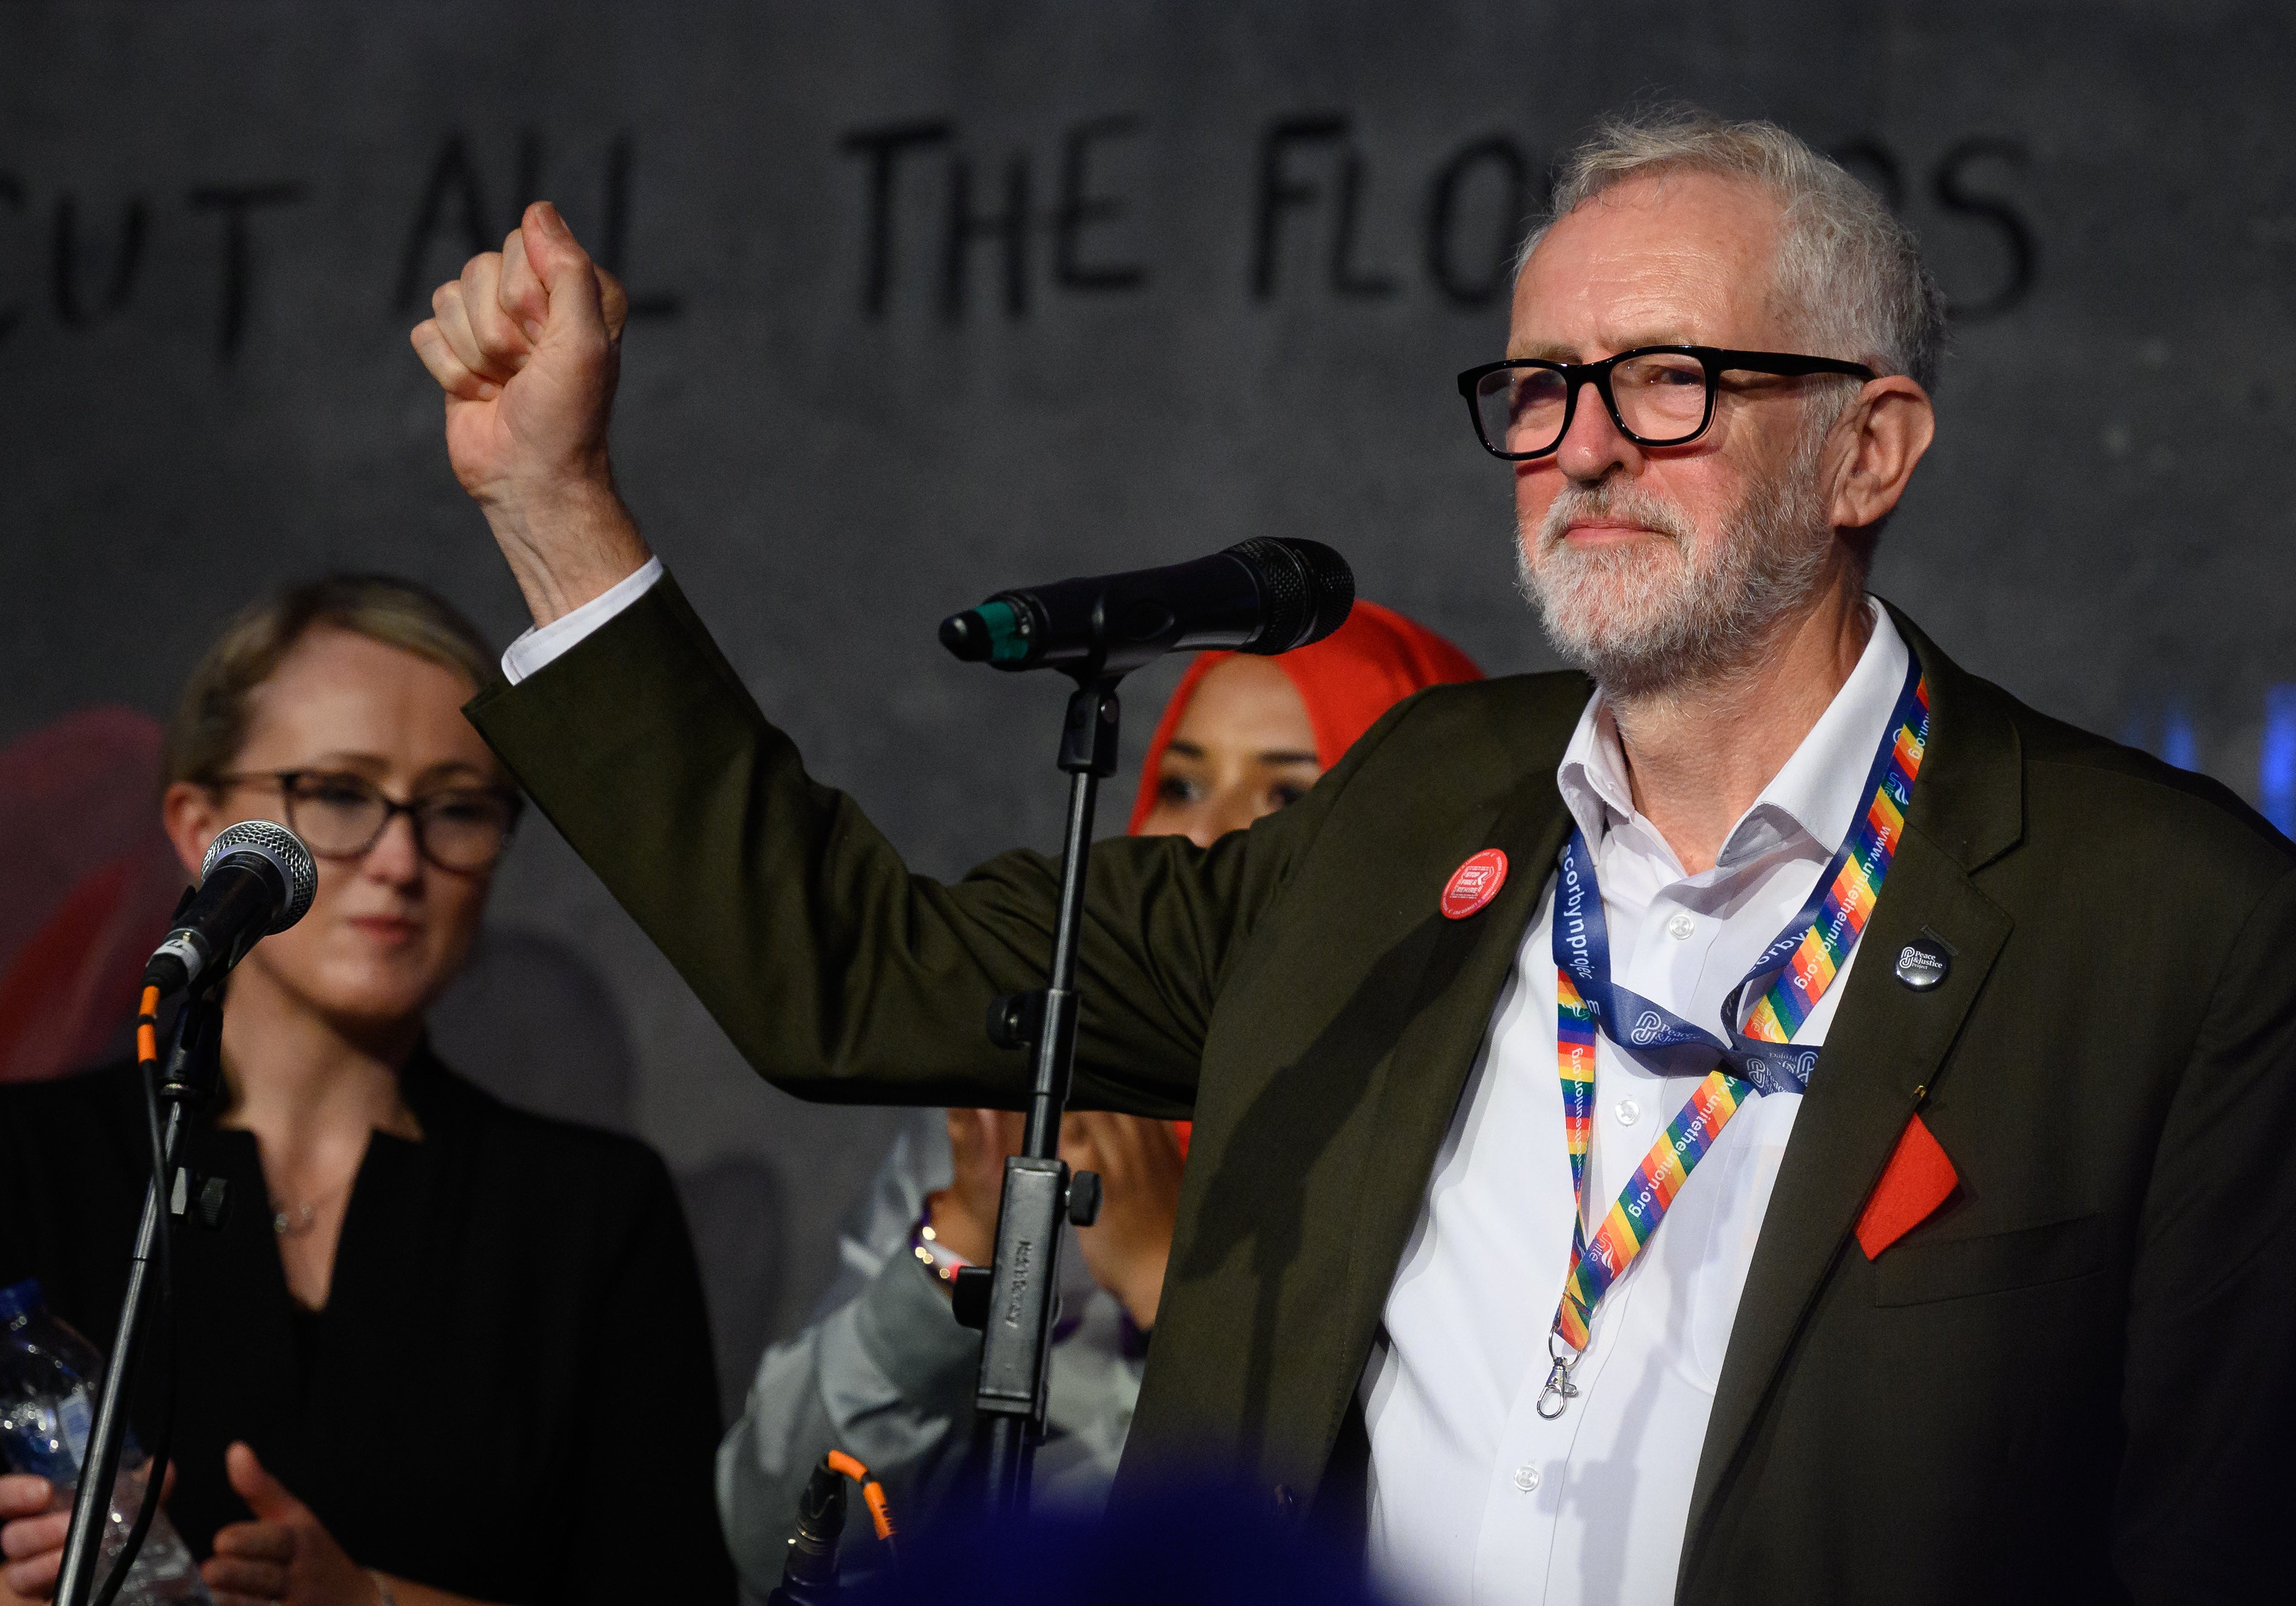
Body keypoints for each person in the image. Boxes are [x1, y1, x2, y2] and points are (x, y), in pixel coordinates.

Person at [409, 108, 2296, 1602]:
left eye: (1665, 381)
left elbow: (2211, 1548)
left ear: (1871, 447)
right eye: (1540, 388)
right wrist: (553, 507)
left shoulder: (2164, 924)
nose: (1578, 448)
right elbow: (845, 970)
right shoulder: (1401, 817)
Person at [0, 576, 730, 1605]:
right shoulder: (15, 1161)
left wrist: (373, 1603)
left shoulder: (593, 1211)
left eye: (459, 809)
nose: (401, 859)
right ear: (201, 828)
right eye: (337, 794)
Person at [715, 608, 1480, 1581]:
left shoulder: (1459, 1153)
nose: (1201, 829)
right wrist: (964, 1245)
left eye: (1289, 791)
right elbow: (760, 1530)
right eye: (1182, 780)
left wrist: (1170, 1278)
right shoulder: (1046, 1110)